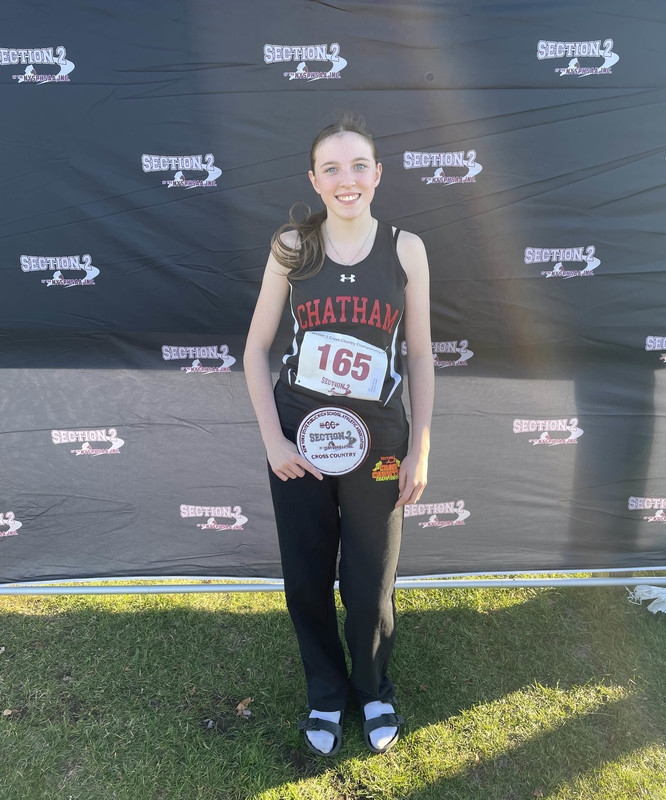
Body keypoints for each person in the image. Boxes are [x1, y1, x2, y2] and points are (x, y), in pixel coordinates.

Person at [244, 114, 434, 756]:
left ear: (377, 176)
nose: (346, 179)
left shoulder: (406, 247)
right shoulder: (293, 247)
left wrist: (422, 444)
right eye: (332, 167)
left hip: (380, 440)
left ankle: (374, 688)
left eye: (359, 166)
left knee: (371, 579)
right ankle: (325, 693)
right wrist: (274, 442)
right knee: (305, 576)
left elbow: (422, 353)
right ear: (314, 180)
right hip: (301, 436)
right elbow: (255, 349)